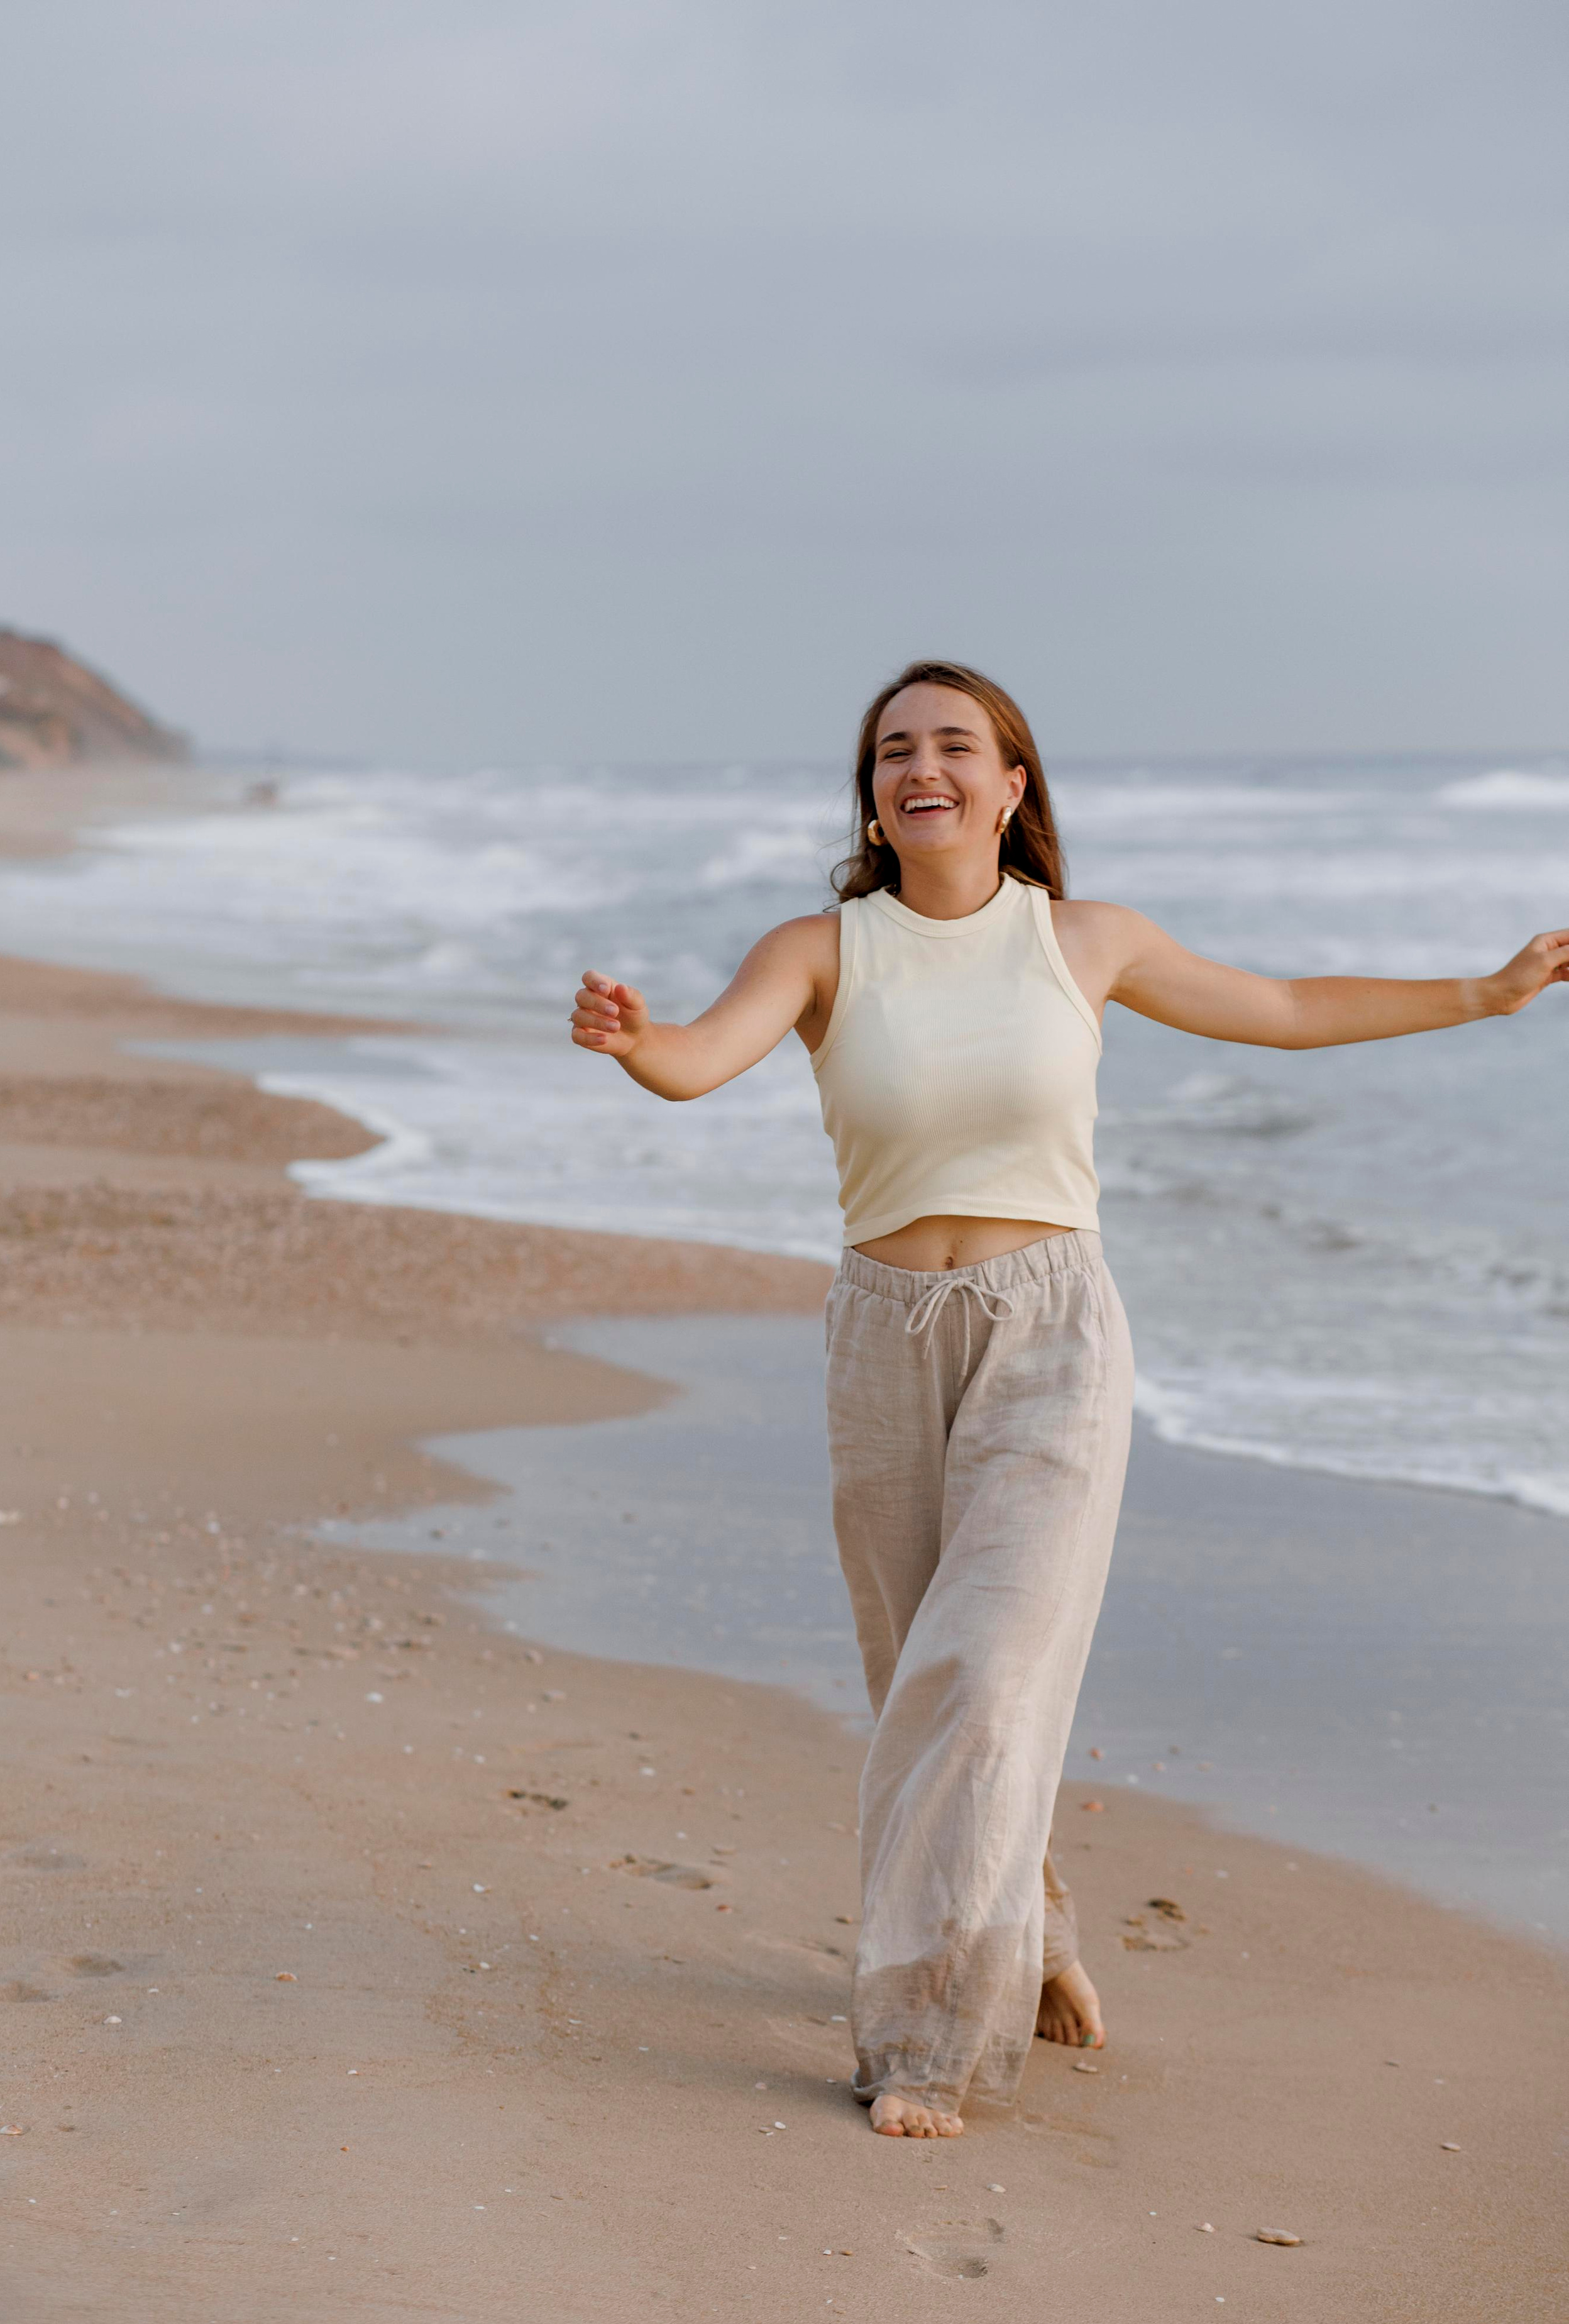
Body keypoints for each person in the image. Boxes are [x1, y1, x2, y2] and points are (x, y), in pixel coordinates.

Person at [570, 660, 1567, 2142]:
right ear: (872, 796)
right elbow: (696, 1061)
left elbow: (1284, 1005)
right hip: (882, 1339)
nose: (923, 767)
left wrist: (1481, 995)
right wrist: (633, 1039)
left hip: (1051, 1335)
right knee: (922, 1676)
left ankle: (922, 2036)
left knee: (984, 1669)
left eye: (955, 746)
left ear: (1012, 785)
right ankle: (1025, 1909)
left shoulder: (1082, 941)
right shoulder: (821, 950)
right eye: (892, 750)